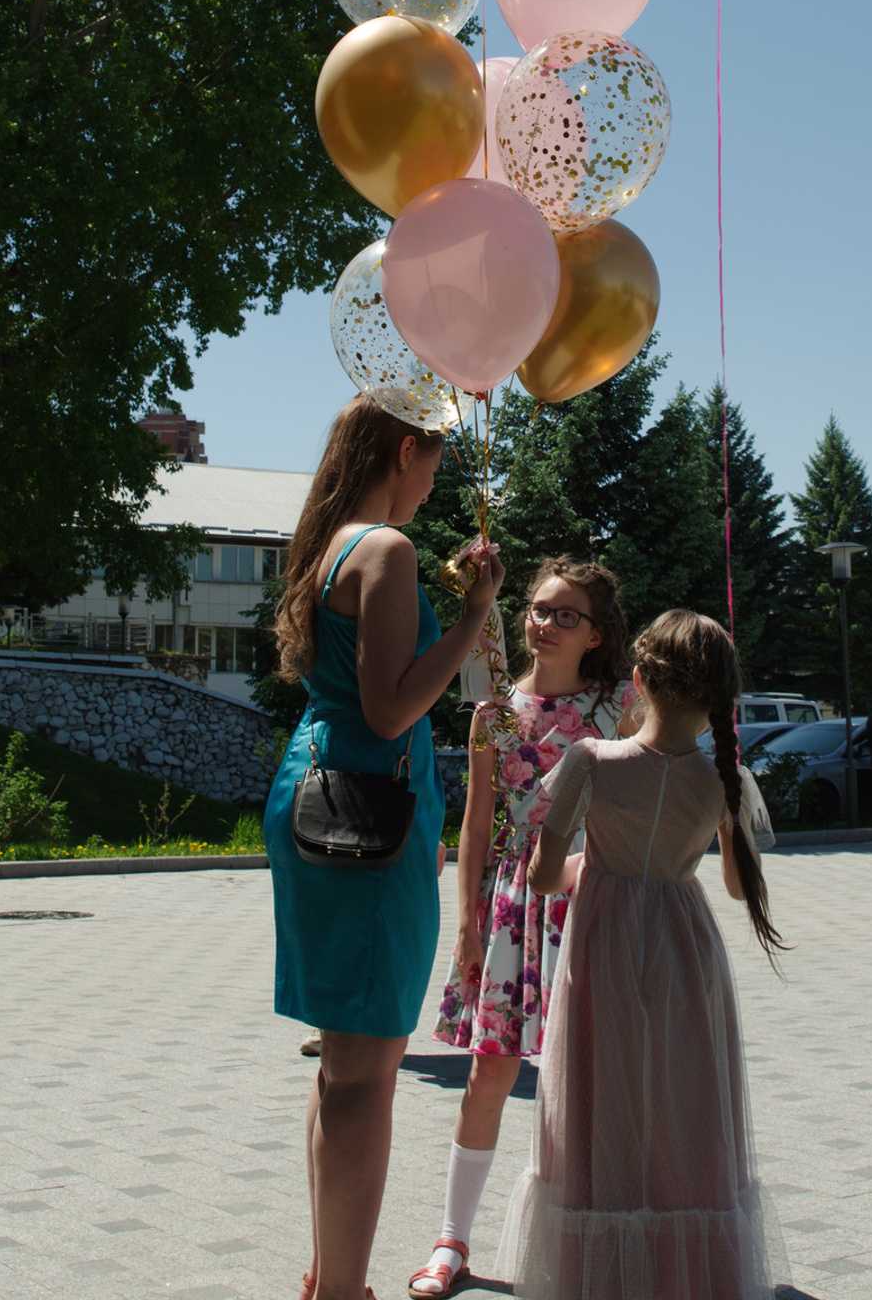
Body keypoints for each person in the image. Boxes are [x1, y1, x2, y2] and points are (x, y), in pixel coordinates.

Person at [261, 396, 505, 1300]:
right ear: (405, 450)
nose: (434, 485)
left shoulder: (329, 545)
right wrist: (474, 614)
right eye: (433, 465)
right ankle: (340, 1292)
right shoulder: (387, 550)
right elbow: (393, 709)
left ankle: (332, 1278)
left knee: (342, 1066)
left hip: (323, 796)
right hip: (365, 817)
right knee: (367, 1071)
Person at [500, 610, 790, 1300]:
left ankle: (605, 1275)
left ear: (639, 681)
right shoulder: (725, 779)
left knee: (603, 1103)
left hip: (603, 945)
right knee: (683, 1105)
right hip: (685, 948)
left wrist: (588, 863)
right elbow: (734, 882)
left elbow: (544, 877)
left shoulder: (591, 761)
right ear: (720, 699)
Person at [410, 560, 640, 1297]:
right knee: (491, 1069)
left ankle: (602, 1239)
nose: (544, 623)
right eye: (538, 609)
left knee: (596, 1078)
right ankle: (451, 1240)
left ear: (596, 634)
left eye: (566, 614)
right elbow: (476, 825)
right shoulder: (495, 714)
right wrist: (467, 927)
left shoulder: (624, 704)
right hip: (513, 903)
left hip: (597, 892)